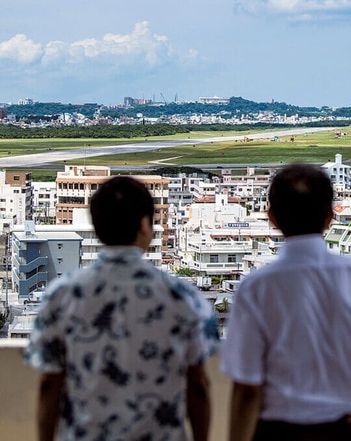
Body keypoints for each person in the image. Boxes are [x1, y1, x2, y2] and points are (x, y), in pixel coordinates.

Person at [221, 164, 351, 441]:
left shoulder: (257, 287)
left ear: (272, 218)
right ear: (329, 217)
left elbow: (248, 389)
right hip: (340, 428)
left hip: (276, 431)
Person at [24, 175, 220, 441]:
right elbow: (198, 386)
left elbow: (50, 384)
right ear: (144, 225)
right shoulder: (183, 297)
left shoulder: (61, 295)